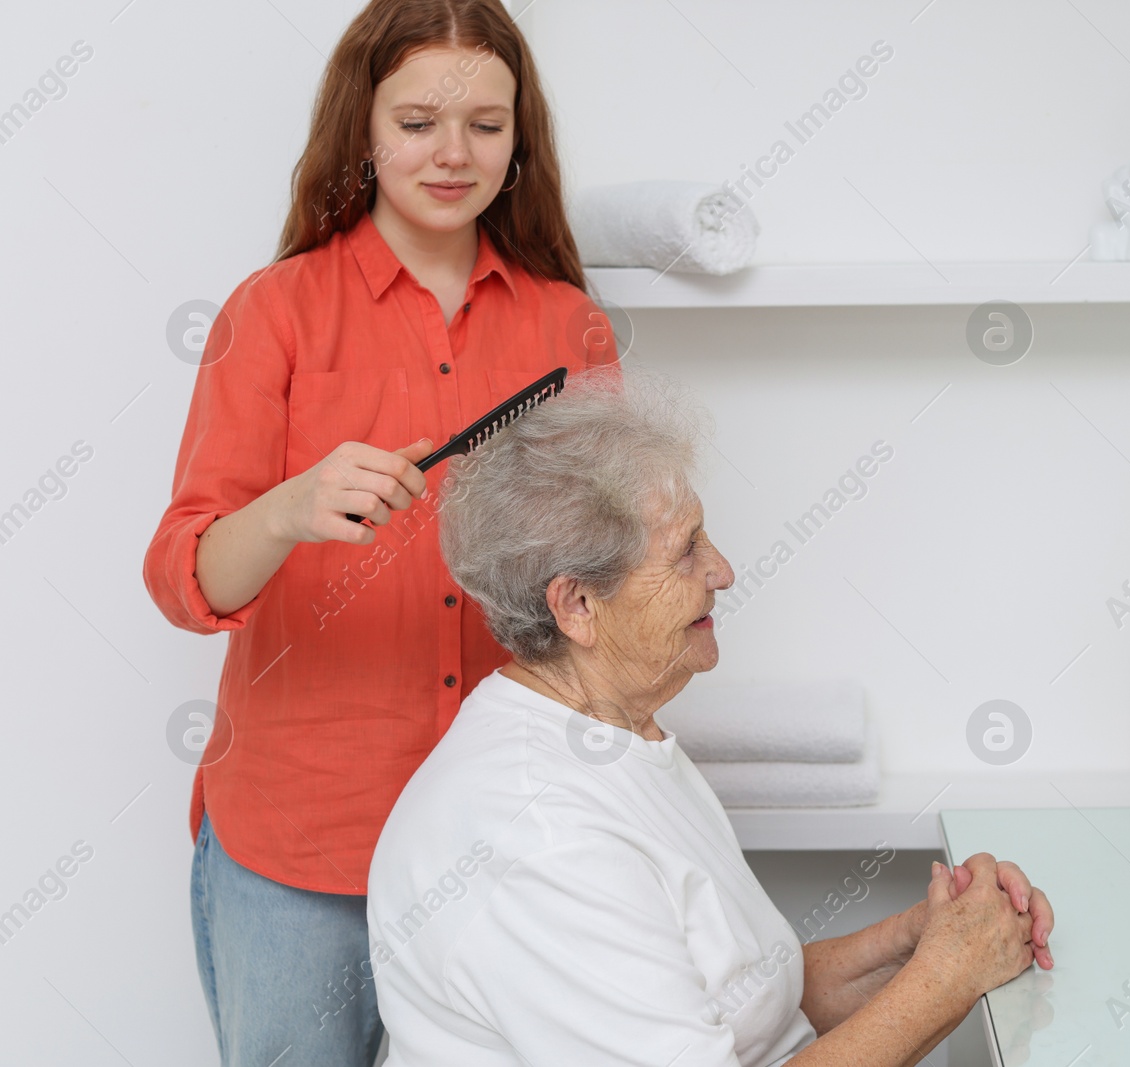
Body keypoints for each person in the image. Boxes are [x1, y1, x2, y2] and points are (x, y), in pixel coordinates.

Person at [140, 2, 615, 1063]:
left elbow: (601, 583)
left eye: (485, 126)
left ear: (518, 139)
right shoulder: (273, 314)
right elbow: (182, 579)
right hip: (300, 839)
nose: (452, 154)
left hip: (507, 835)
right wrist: (286, 509)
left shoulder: (565, 328)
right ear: (362, 129)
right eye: (417, 122)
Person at [367, 370, 1055, 1066]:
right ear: (576, 605)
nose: (722, 570)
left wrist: (927, 938)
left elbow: (747, 1005)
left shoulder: (619, 732)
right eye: (686, 549)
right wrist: (949, 975)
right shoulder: (540, 836)